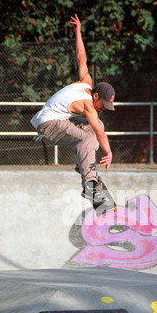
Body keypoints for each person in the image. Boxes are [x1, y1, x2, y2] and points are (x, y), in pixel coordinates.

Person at [30, 14, 115, 209]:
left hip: (57, 121)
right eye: (103, 105)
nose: (103, 109)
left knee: (97, 126)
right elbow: (101, 135)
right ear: (96, 97)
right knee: (90, 136)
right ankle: (90, 187)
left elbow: (81, 58)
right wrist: (109, 152)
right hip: (48, 125)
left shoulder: (86, 82)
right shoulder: (87, 104)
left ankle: (82, 165)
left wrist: (78, 33)